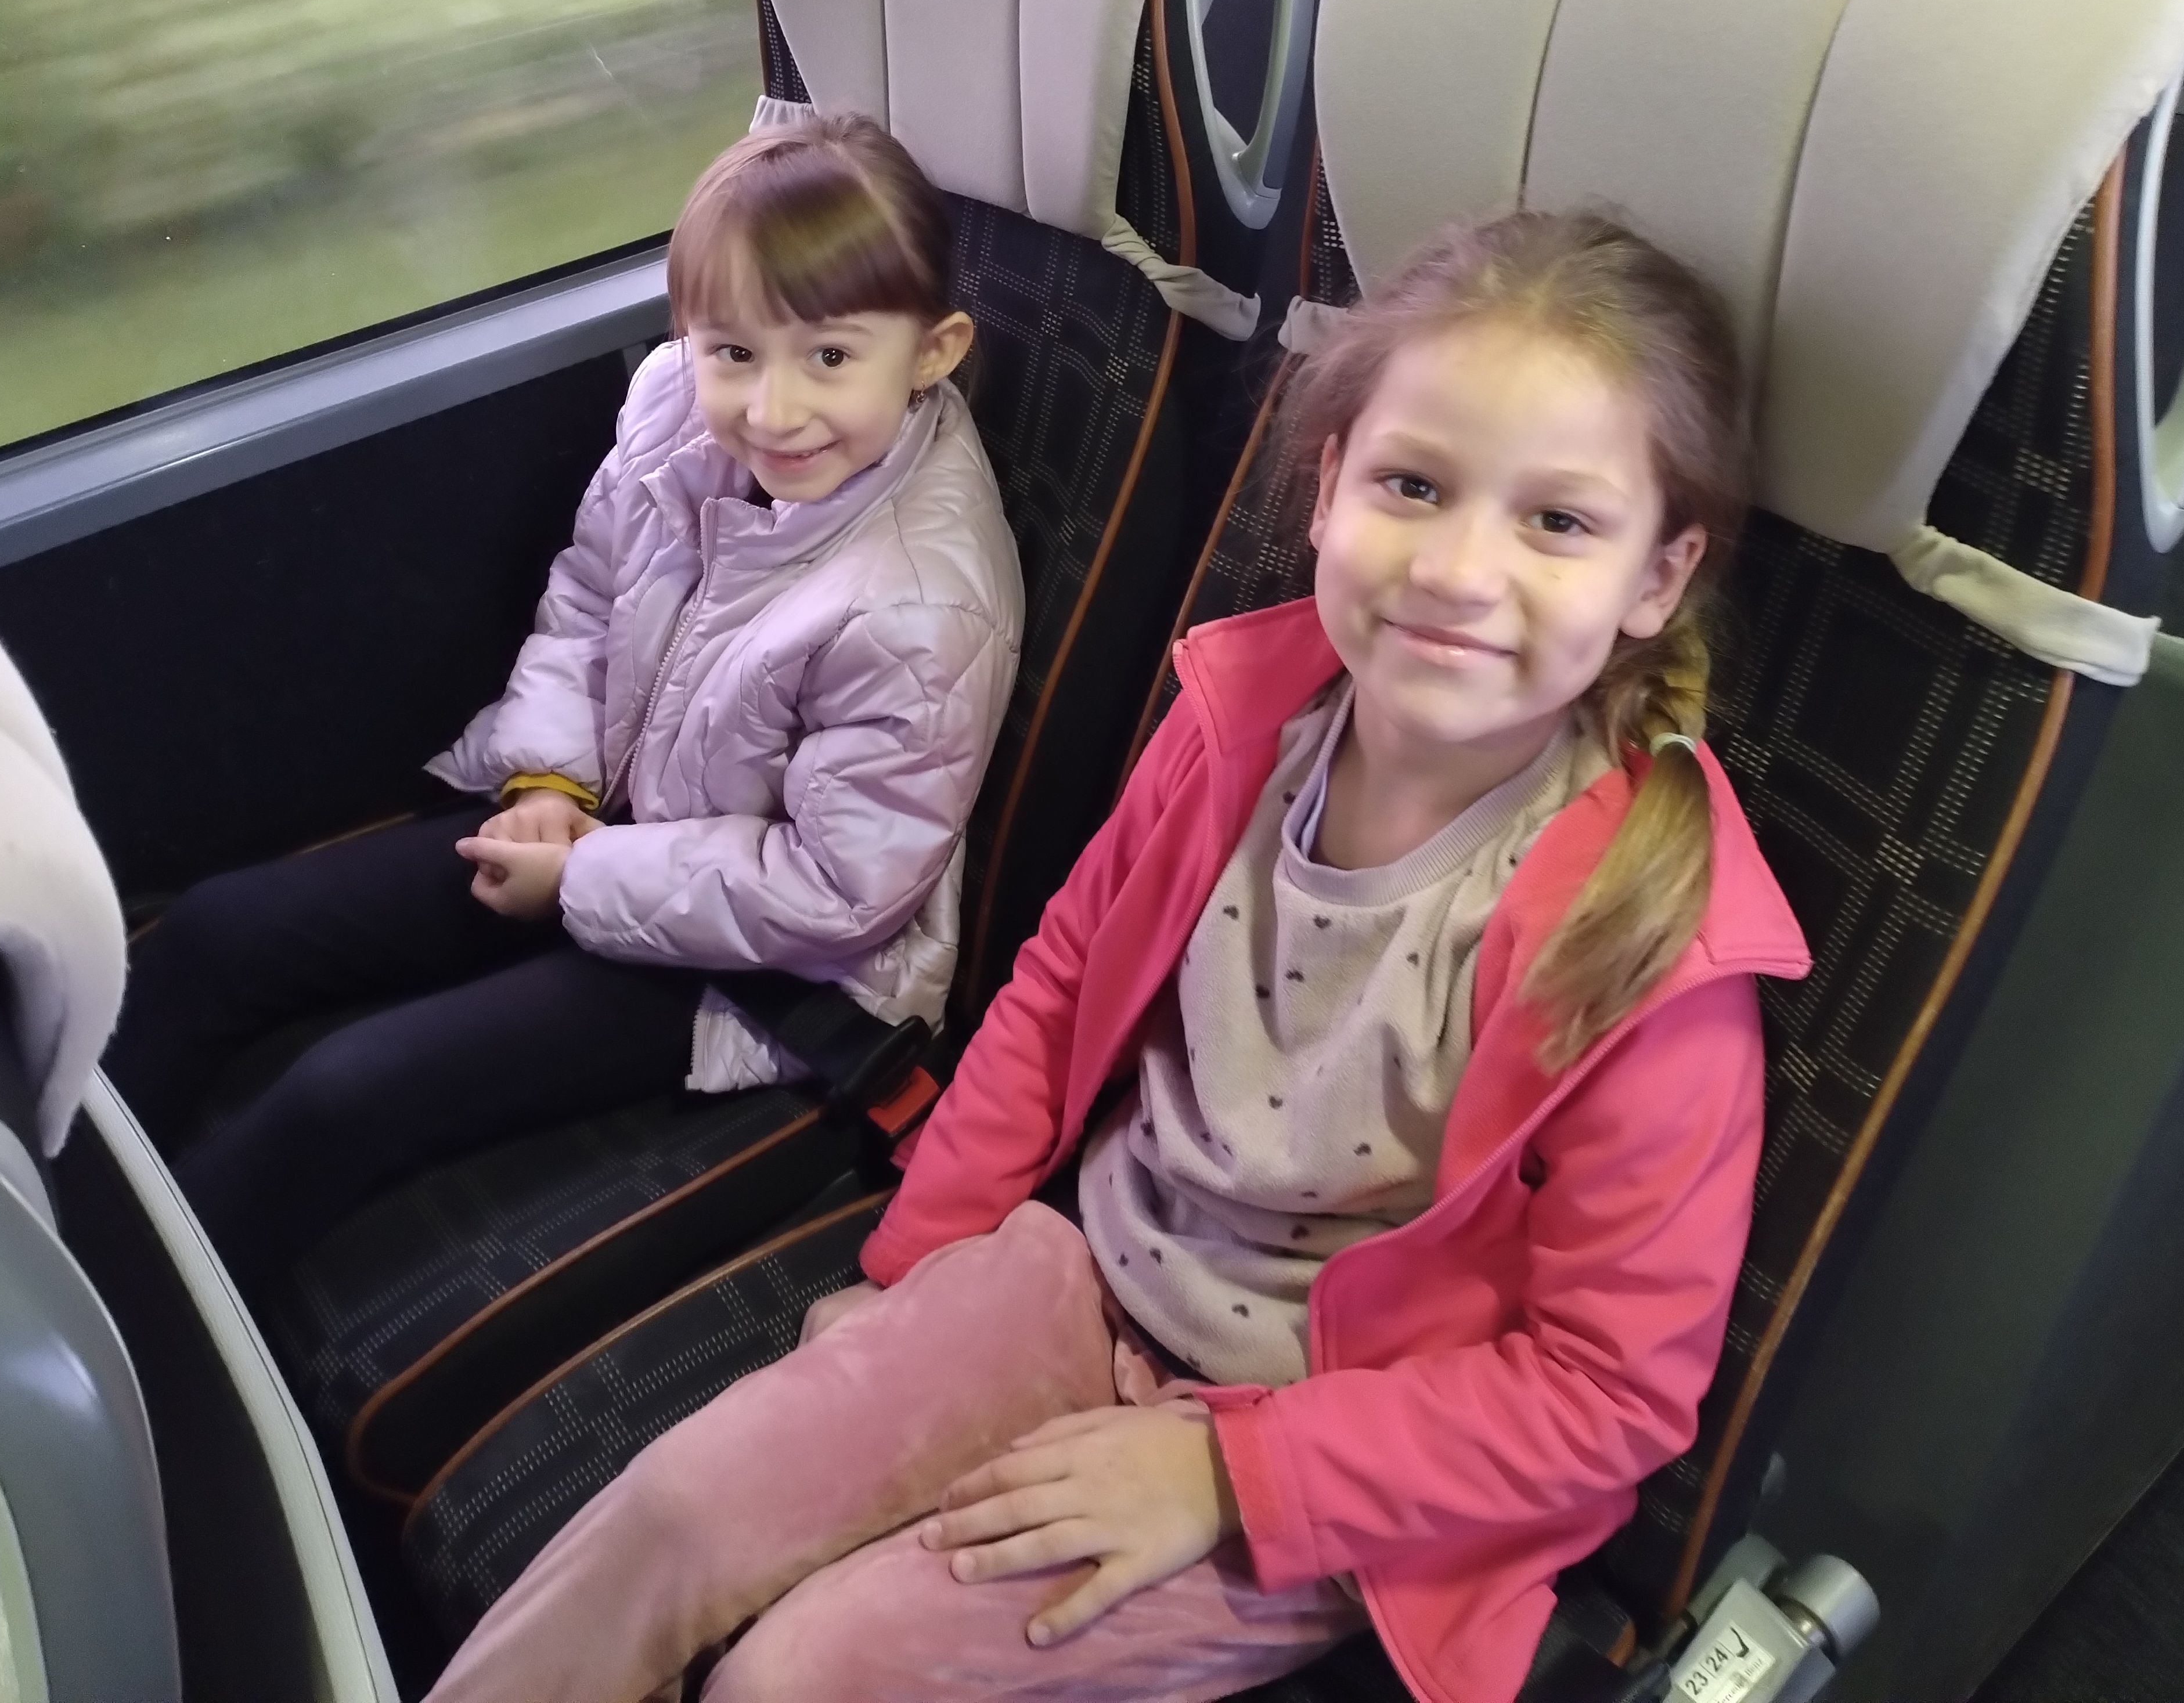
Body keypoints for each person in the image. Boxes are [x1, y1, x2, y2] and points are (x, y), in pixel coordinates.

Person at [425, 209, 1812, 1703]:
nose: (1461, 569)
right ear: (1328, 488)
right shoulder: (1243, 723)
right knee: (675, 1512)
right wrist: (914, 1269)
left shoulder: (1647, 939)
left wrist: (1228, 1471)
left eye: (1558, 523)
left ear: (1658, 577)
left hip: (1332, 1452)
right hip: (1087, 1270)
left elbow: (1604, 1392)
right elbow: (1059, 988)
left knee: (803, 1675)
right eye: (1413, 485)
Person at [105, 114, 1023, 1303]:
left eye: (831, 357)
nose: (771, 408)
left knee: (346, 1092)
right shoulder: (672, 410)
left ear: (934, 350)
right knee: (218, 934)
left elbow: (840, 891)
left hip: (767, 961)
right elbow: (593, 594)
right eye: (732, 351)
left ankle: (134, 1326)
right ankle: (52, 1192)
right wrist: (549, 782)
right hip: (610, 816)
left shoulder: (918, 602)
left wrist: (584, 877)